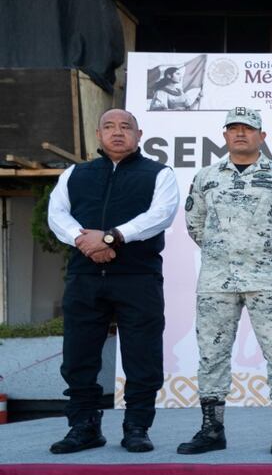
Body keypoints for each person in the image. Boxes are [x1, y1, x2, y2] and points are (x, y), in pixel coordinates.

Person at [179, 107, 272, 456]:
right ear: (224, 135)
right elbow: (194, 223)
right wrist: (220, 250)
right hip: (215, 281)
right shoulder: (206, 176)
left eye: (248, 129)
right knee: (211, 354)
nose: (240, 134)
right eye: (233, 128)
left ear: (262, 136)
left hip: (267, 281)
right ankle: (212, 430)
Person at [46, 109, 180, 453]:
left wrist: (111, 238)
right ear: (98, 134)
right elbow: (57, 214)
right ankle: (83, 425)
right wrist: (84, 240)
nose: (117, 132)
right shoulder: (76, 174)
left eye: (125, 127)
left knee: (142, 353)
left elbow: (159, 216)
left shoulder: (159, 174)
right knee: (79, 354)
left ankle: (137, 425)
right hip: (85, 276)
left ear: (139, 134)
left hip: (138, 277)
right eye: (109, 126)